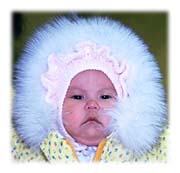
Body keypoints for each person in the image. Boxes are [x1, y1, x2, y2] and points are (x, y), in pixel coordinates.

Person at [12, 15, 167, 163]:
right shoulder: (24, 155)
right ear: (53, 105)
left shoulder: (156, 154)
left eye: (105, 97)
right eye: (78, 97)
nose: (92, 104)